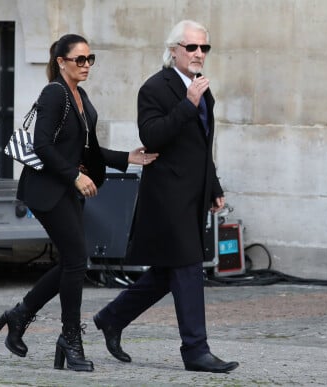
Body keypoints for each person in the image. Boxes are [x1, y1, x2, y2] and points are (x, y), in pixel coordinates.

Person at [0, 34, 158, 372]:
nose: (86, 65)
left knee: (74, 261)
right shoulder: (54, 93)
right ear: (61, 62)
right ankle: (69, 338)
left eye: (90, 59)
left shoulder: (79, 95)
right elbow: (41, 144)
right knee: (76, 261)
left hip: (67, 190)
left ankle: (20, 315)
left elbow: (86, 150)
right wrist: (73, 176)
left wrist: (127, 157)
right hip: (48, 190)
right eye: (79, 59)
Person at [92, 20, 239, 373]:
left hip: (193, 195)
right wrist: (187, 104)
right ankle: (195, 351)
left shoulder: (203, 89)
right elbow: (152, 136)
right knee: (188, 268)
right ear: (174, 50)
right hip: (167, 196)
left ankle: (112, 318)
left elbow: (202, 146)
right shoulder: (155, 88)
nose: (199, 54)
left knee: (165, 274)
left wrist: (214, 187)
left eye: (204, 48)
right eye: (192, 48)